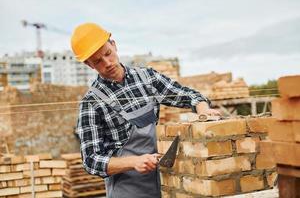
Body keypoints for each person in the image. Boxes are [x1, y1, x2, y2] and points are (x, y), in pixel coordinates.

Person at [71, 23, 220, 198]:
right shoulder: (91, 103)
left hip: (163, 185)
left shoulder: (147, 78)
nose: (107, 63)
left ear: (114, 45)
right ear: (89, 65)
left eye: (108, 53)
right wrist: (134, 162)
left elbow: (189, 95)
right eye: (98, 61)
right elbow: (91, 160)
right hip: (127, 190)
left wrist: (204, 110)